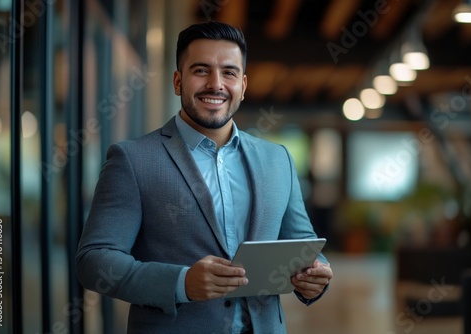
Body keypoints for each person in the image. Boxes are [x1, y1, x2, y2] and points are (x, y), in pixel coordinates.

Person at [76, 21, 333, 334]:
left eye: (229, 72)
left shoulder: (277, 158)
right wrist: (182, 282)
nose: (216, 84)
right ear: (177, 81)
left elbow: (303, 245)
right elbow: (94, 262)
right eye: (201, 70)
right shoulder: (133, 159)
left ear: (243, 84)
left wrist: (315, 275)